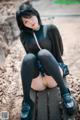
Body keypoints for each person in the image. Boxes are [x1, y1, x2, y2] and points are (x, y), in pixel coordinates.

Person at [16, 1, 76, 120]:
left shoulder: (50, 29)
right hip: (38, 82)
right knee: (28, 57)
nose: (30, 22)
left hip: (53, 77)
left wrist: (61, 69)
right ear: (23, 25)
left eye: (30, 17)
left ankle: (65, 93)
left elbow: (60, 51)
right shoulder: (24, 36)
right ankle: (27, 101)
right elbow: (29, 59)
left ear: (36, 14)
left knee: (43, 53)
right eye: (25, 22)